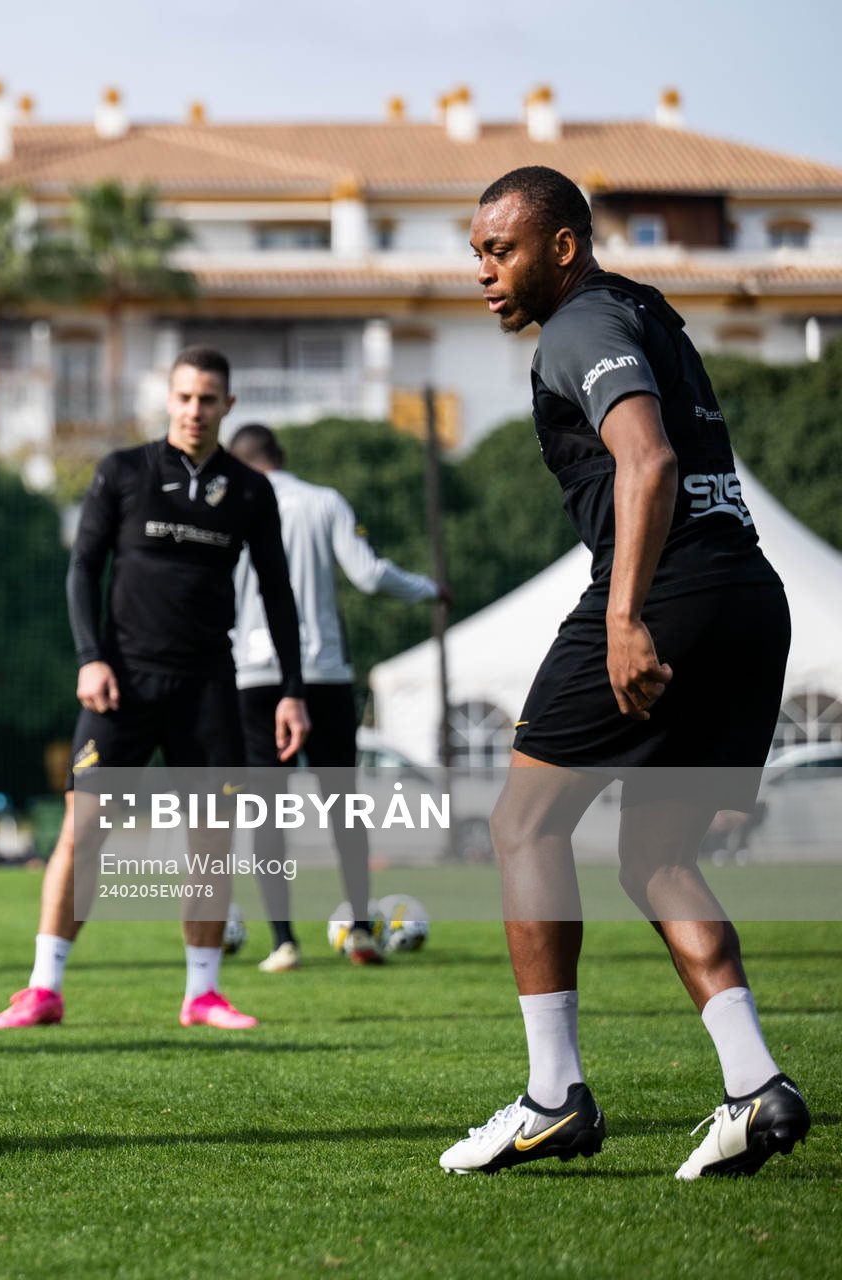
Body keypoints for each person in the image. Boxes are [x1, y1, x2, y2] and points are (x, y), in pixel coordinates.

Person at [441, 166, 808, 1179]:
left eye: (500, 248)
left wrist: (622, 614)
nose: (483, 270)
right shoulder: (642, 307)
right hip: (750, 594)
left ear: (562, 246)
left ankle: (553, 1095)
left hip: (673, 590)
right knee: (654, 854)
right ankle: (755, 1083)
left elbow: (646, 463)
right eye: (476, 251)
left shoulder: (578, 328)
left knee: (522, 822)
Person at [0, 349, 309, 1032]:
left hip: (208, 688)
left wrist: (290, 689)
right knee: (82, 834)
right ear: (169, 400)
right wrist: (90, 658)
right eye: (186, 397)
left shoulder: (250, 492)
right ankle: (44, 988)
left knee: (211, 840)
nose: (196, 410)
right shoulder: (123, 471)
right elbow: (83, 570)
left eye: (210, 399)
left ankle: (202, 993)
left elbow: (279, 595)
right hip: (121, 685)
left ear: (229, 406)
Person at [226, 423, 441, 971]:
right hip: (323, 671)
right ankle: (363, 931)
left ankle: (283, 942)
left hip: (254, 673)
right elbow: (368, 576)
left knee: (265, 810)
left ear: (239, 461)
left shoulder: (230, 504)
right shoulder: (324, 503)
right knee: (342, 804)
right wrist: (428, 588)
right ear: (282, 456)